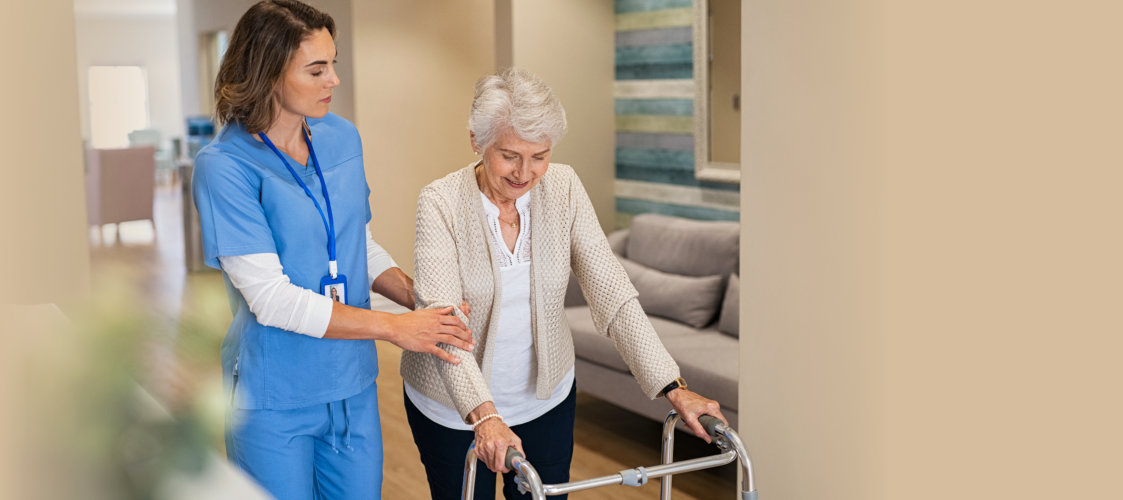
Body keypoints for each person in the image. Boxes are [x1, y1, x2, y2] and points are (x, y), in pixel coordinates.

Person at [400, 68, 728, 500]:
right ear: (476, 143)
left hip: (545, 398)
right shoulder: (440, 202)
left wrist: (673, 387)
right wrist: (484, 417)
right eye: (510, 155)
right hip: (452, 407)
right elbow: (445, 326)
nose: (526, 172)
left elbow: (612, 293)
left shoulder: (565, 188)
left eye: (540, 155)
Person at [191, 2, 474, 498]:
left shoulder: (342, 138)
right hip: (274, 396)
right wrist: (397, 328)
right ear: (268, 72)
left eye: (333, 63)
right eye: (317, 69)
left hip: (352, 385)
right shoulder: (225, 167)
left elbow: (355, 246)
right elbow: (271, 299)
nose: (334, 80)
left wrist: (420, 301)